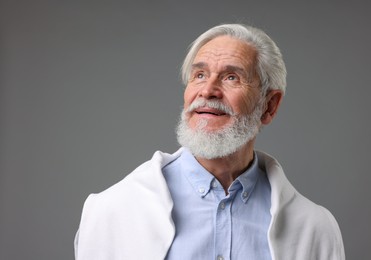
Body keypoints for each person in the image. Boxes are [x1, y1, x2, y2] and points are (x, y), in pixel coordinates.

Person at [74, 24, 345, 260]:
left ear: (269, 106)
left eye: (231, 77)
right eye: (200, 75)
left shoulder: (314, 228)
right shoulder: (112, 211)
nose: (207, 91)